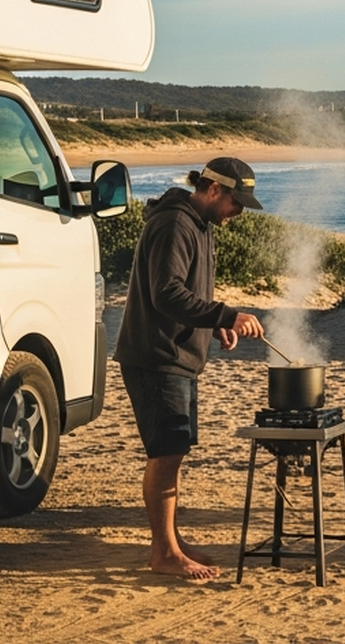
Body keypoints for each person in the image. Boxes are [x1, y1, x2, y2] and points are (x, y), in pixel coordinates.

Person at [112, 157, 267, 579]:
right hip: (157, 356)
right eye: (237, 202)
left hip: (176, 356)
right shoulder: (175, 224)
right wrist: (226, 314)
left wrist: (214, 324)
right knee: (165, 454)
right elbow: (166, 294)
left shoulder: (198, 224)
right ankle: (164, 553)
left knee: (173, 452)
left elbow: (186, 293)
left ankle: (172, 542)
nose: (238, 213)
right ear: (214, 190)